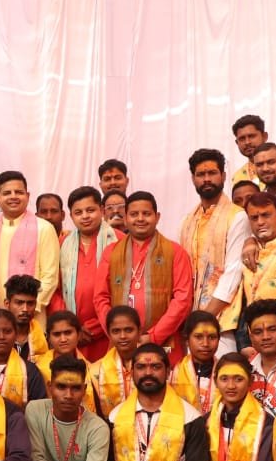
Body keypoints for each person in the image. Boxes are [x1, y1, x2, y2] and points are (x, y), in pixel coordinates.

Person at [101, 344, 212, 461]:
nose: (148, 373)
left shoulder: (190, 418)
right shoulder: (115, 418)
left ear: (168, 371)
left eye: (155, 367)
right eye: (141, 367)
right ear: (132, 372)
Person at [94, 191, 194, 350]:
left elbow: (183, 299)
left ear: (157, 217)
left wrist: (154, 336)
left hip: (164, 343)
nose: (140, 219)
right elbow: (100, 297)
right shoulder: (111, 252)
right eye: (134, 214)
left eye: (146, 214)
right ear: (125, 218)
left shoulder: (175, 252)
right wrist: (117, 333)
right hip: (121, 343)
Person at [25, 355, 110, 461]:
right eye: (61, 387)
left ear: (84, 389)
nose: (68, 395)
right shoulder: (35, 410)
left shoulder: (98, 428)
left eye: (76, 388)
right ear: (50, 387)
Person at [179, 149, 249, 354]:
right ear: (193, 179)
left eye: (212, 173)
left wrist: (206, 316)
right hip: (190, 322)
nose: (207, 179)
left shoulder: (237, 216)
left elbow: (234, 271)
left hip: (223, 322)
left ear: (223, 176)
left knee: (223, 372)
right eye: (201, 174)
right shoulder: (187, 221)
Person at [0, 171, 59, 312]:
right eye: (7, 193)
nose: (13, 196)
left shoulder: (44, 228)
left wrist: (26, 308)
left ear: (27, 196)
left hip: (30, 315)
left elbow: (50, 277)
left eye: (19, 192)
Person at [59, 186, 117, 361]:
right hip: (71, 335)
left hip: (108, 332)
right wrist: (71, 326)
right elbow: (55, 290)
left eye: (90, 210)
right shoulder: (62, 244)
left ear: (102, 210)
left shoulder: (119, 242)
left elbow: (124, 293)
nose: (85, 216)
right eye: (78, 212)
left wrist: (95, 328)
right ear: (71, 216)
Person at [37, 311, 102, 414]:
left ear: (79, 334)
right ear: (48, 338)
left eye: (68, 333)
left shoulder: (92, 370)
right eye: (57, 334)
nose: (63, 339)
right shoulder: (38, 369)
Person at [0, 309, 48, 409]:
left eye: (7, 331)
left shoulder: (30, 371)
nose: (1, 337)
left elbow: (38, 410)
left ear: (16, 334)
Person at [242, 299, 276, 417]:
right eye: (258, 332)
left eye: (272, 329)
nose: (265, 337)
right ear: (251, 337)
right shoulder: (244, 369)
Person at [92, 305, 142, 417]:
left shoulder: (152, 365)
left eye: (128, 330)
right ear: (109, 334)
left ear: (139, 331)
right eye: (116, 331)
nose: (123, 336)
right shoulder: (96, 371)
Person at [170, 311, 220, 415]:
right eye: (198, 337)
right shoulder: (173, 373)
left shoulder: (225, 371)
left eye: (212, 337)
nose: (205, 344)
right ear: (186, 340)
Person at [4, 274, 48, 361]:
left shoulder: (44, 339)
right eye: (19, 303)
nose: (25, 309)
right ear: (7, 304)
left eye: (30, 303)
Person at [229, 114, 268, 185]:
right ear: (237, 143)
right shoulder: (238, 178)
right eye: (242, 138)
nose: (247, 142)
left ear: (264, 136)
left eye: (251, 136)